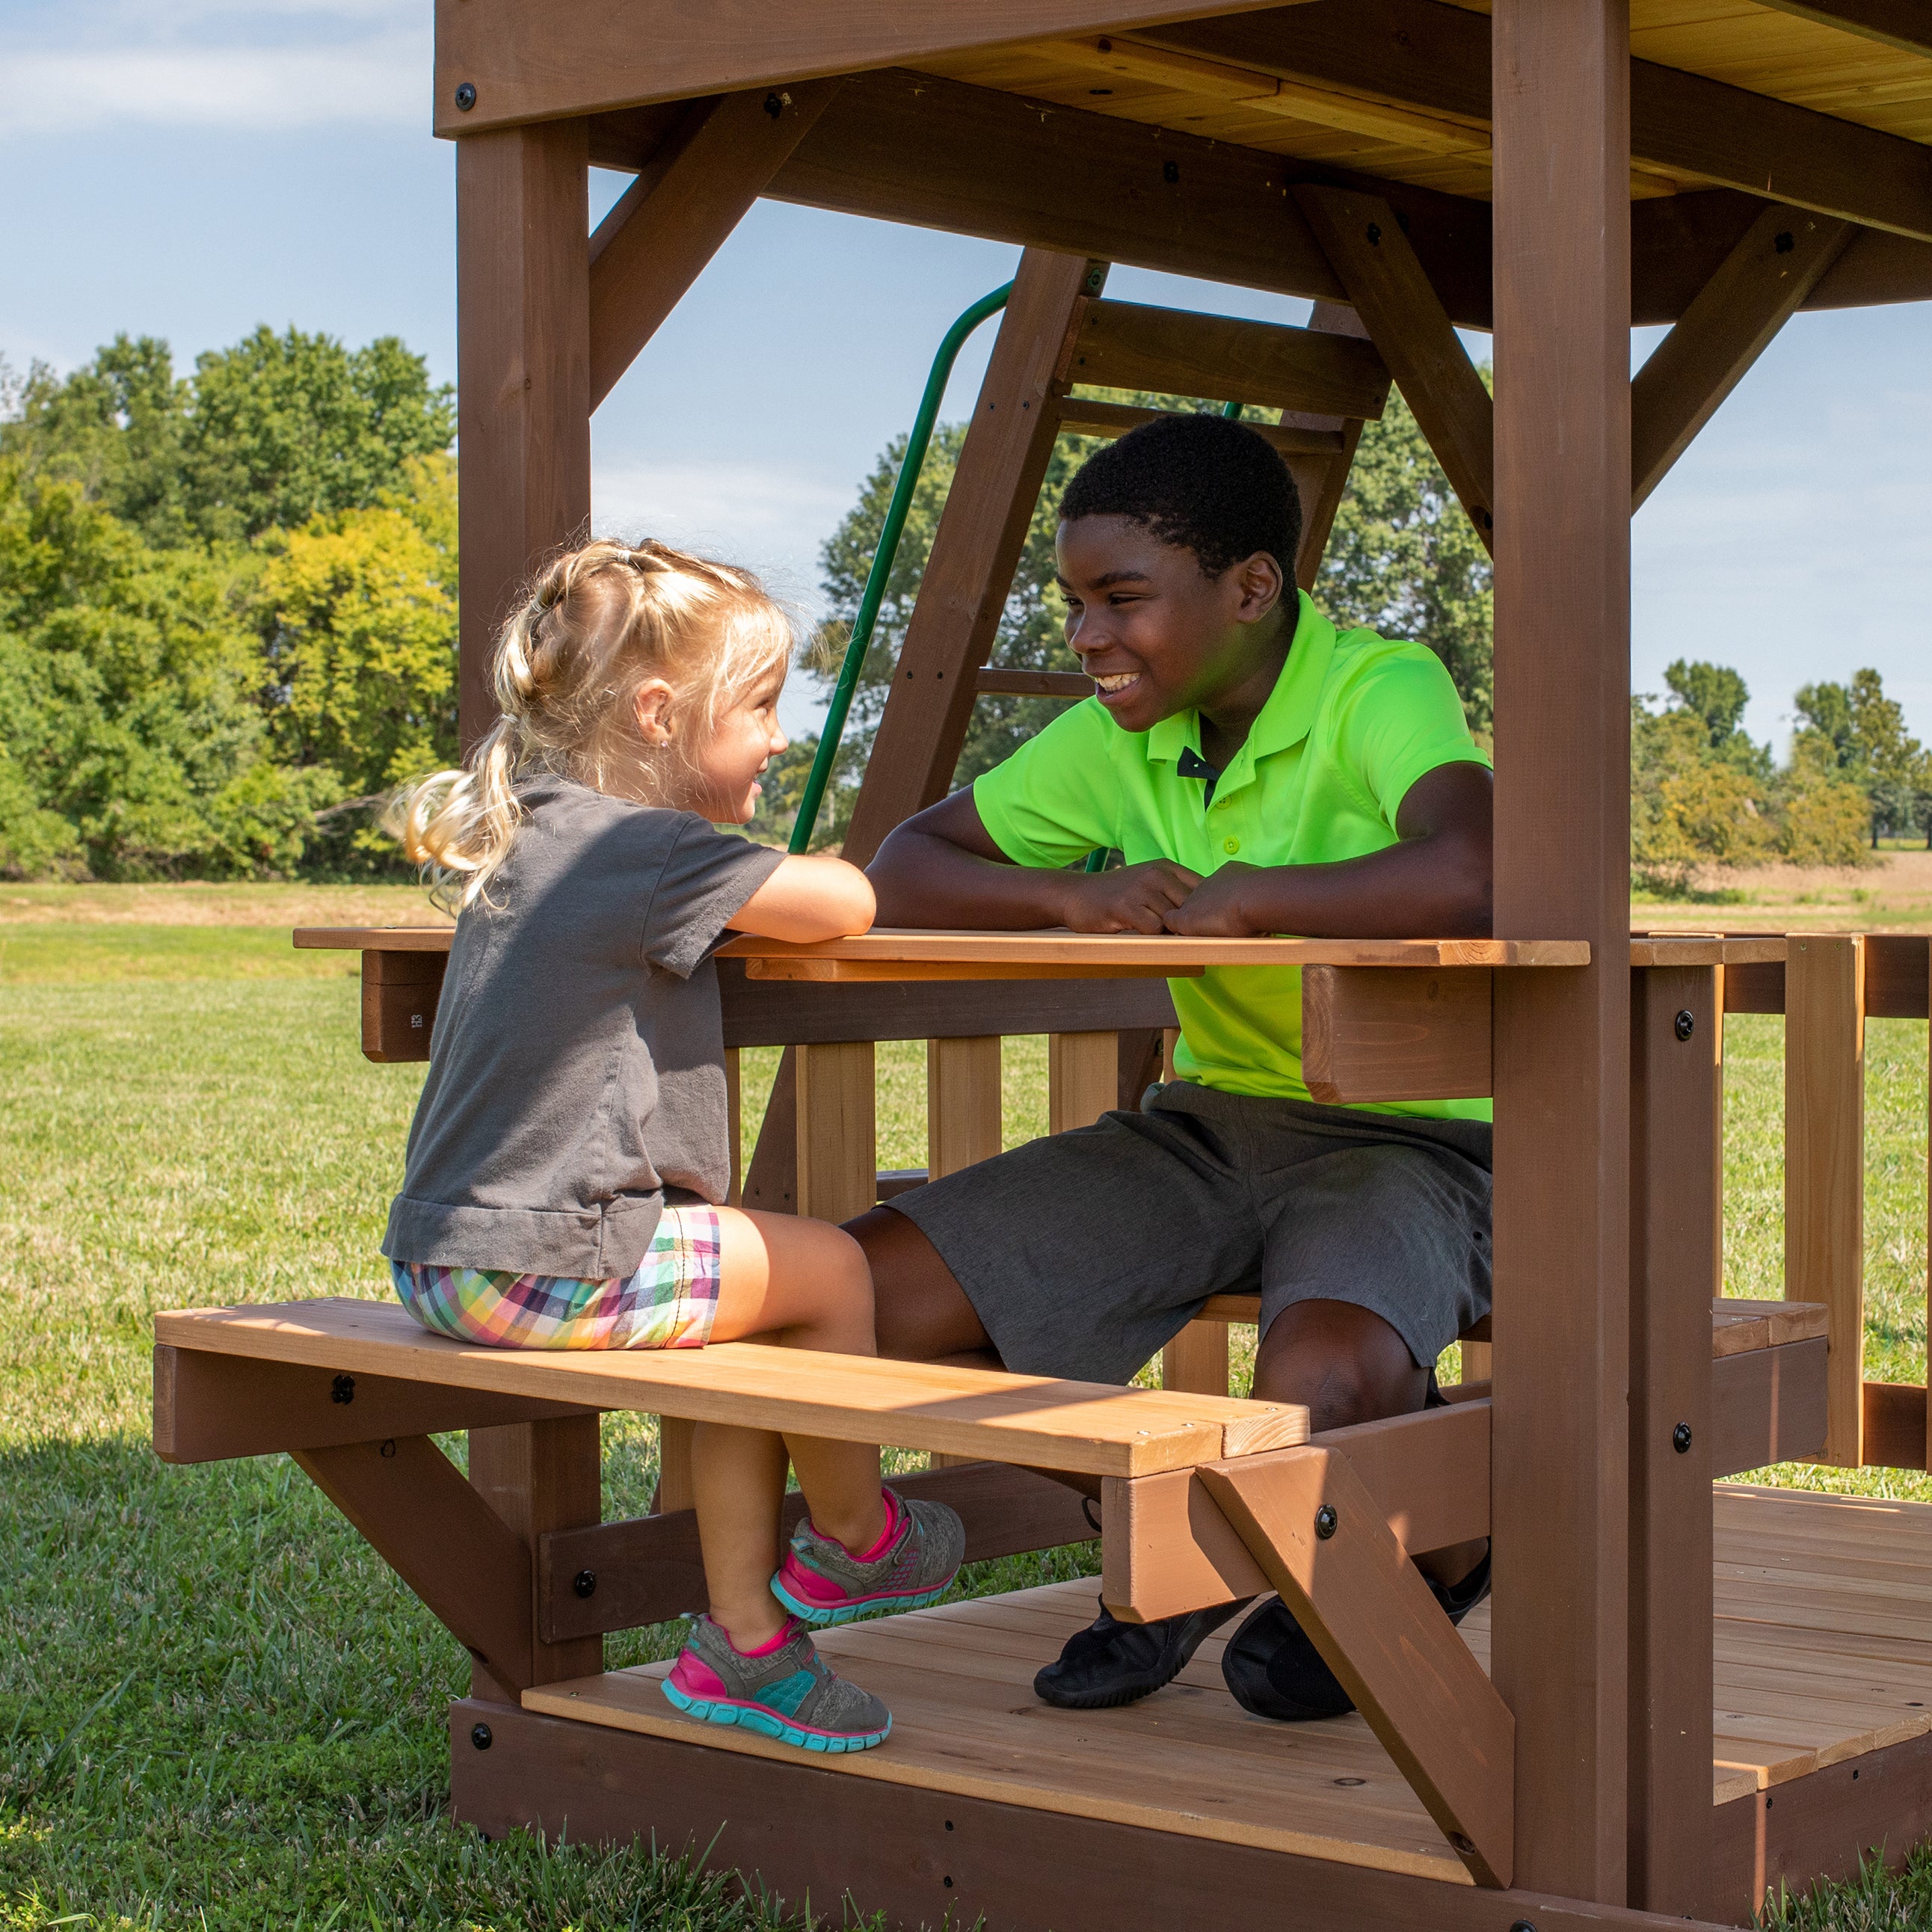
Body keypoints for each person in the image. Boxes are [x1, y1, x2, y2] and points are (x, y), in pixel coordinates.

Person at [849, 414, 1493, 1720]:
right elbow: (903, 867)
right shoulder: (1119, 734)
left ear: (1250, 589)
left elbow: (1478, 868)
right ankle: (1186, 1541)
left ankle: (1444, 1551)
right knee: (863, 1300)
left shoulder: (1378, 686)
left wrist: (1257, 898)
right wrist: (1066, 898)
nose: (1086, 637)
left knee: (1320, 1385)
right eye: (1074, 604)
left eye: (1121, 599)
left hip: (1412, 1143)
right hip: (1203, 1132)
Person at [381, 538, 963, 1755]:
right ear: (658, 715)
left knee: (756, 1316)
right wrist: (804, 862)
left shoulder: (537, 830)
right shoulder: (637, 847)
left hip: (449, 1255)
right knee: (830, 1269)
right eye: (758, 709)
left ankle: (743, 1644)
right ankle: (858, 1538)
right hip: (546, 1260)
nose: (778, 740)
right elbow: (847, 902)